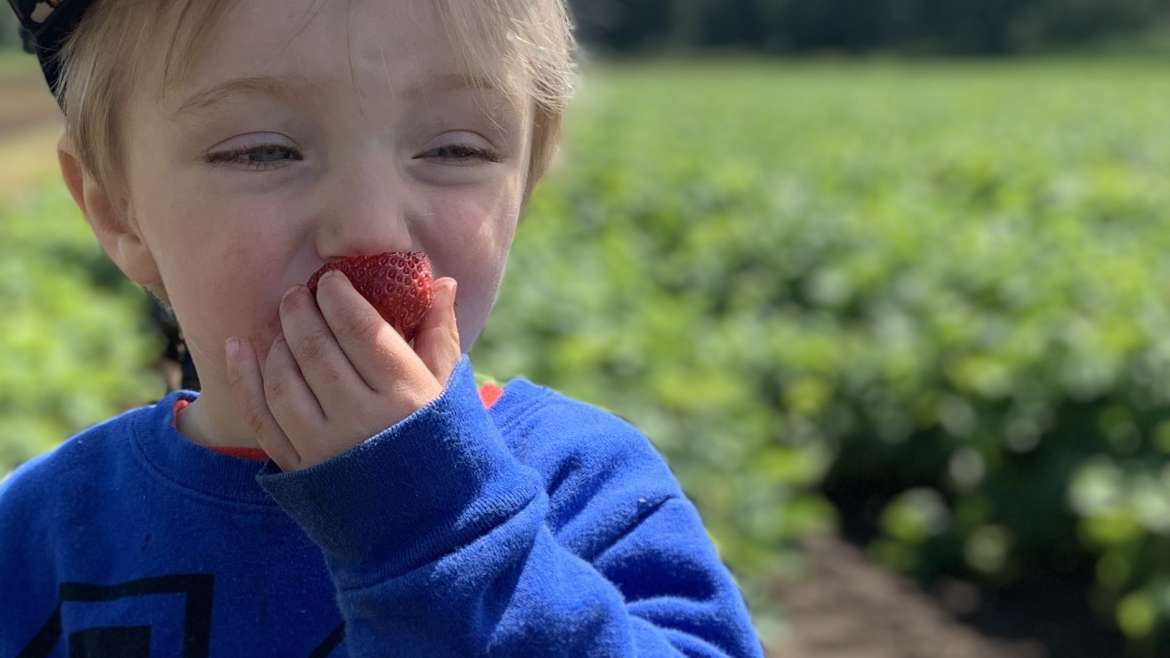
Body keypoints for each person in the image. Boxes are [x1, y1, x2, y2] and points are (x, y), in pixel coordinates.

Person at [0, 1, 766, 655]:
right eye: (262, 151)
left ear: (525, 182)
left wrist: (437, 530)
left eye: (454, 149)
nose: (370, 234)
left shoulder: (588, 491)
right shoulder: (42, 536)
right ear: (116, 210)